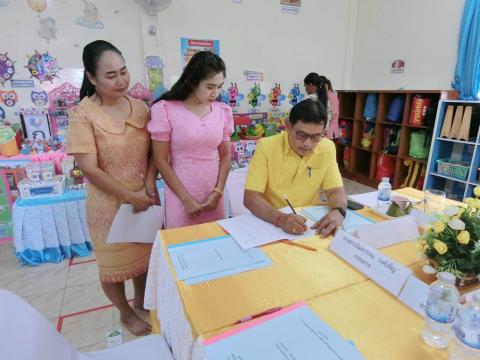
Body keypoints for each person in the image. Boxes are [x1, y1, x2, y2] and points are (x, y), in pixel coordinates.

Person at [67, 40, 158, 336]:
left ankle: (143, 301)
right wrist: (128, 196)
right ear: (91, 77)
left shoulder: (140, 108)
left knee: (143, 259)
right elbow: (89, 168)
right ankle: (126, 313)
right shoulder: (83, 115)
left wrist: (146, 186)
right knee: (113, 266)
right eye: (110, 75)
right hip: (107, 206)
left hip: (143, 199)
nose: (121, 80)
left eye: (123, 71)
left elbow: (153, 153)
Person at [148, 51, 233, 228]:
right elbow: (161, 160)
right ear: (194, 82)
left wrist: (217, 192)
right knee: (182, 247)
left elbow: (225, 156)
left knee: (215, 245)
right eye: (210, 87)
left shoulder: (223, 111)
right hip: (181, 196)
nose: (215, 93)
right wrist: (186, 200)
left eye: (219, 87)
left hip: (213, 195)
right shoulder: (165, 109)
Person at [243, 98, 347, 238]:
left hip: (310, 224)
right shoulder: (266, 147)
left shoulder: (327, 147)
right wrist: (280, 219)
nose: (308, 144)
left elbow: (335, 189)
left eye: (316, 136)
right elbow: (251, 198)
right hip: (272, 221)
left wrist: (338, 211)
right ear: (288, 126)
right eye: (301, 135)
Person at [304, 73, 339, 139]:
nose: (305, 89)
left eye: (305, 86)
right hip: (321, 133)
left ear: (311, 85)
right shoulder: (324, 98)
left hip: (316, 134)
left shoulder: (310, 98)